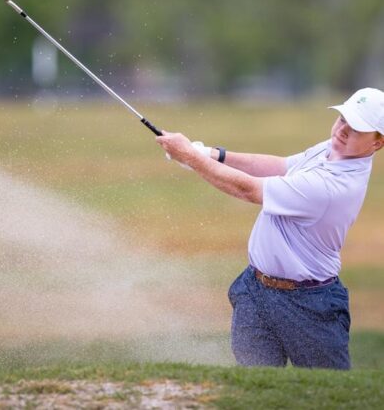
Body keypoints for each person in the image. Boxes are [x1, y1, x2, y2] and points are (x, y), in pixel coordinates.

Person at [156, 87, 384, 370]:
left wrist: (191, 158)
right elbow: (280, 166)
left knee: (323, 393)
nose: (343, 130)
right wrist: (211, 154)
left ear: (377, 143)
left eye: (357, 129)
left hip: (310, 305)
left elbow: (248, 189)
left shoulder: (334, 187)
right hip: (256, 289)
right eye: (342, 120)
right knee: (256, 383)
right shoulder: (331, 150)